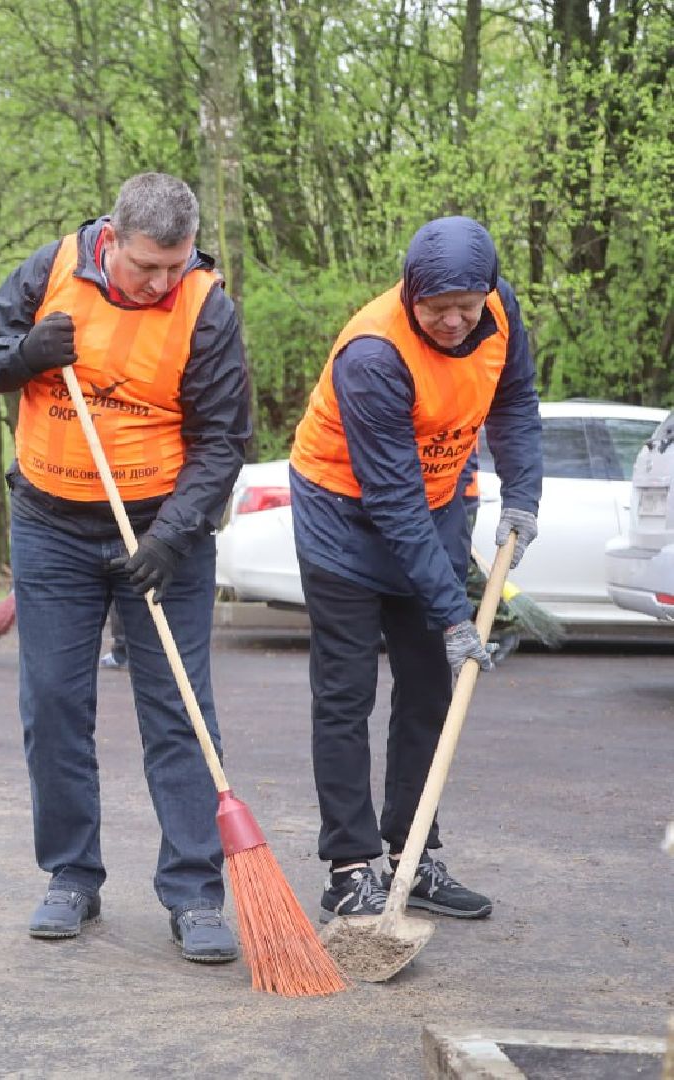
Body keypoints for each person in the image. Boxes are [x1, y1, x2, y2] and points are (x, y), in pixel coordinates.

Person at [0, 173, 252, 962]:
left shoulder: (205, 306)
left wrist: (172, 535)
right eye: (147, 265)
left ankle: (194, 892)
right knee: (54, 702)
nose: (162, 281)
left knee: (179, 711)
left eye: (176, 263)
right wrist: (25, 354)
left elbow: (225, 439)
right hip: (51, 526)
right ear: (113, 239)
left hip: (161, 531)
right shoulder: (49, 270)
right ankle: (71, 876)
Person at [288, 216, 541, 923]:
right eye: (438, 311)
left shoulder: (497, 310)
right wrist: (454, 612)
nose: (456, 321)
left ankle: (411, 854)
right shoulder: (371, 355)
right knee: (344, 696)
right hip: (343, 518)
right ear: (409, 296)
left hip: (434, 504)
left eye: (467, 306)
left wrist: (521, 497)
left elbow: (515, 403)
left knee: (430, 690)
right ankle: (348, 869)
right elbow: (390, 499)